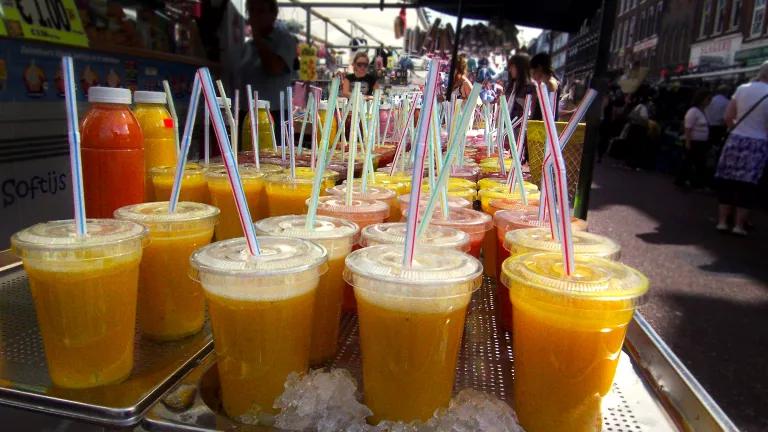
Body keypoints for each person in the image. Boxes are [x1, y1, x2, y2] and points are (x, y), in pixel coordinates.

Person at [714, 61, 768, 236]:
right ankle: (739, 225)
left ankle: (722, 222)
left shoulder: (742, 88)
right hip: (757, 143)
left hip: (735, 140)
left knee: (728, 182)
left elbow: (728, 116)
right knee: (748, 186)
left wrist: (735, 130)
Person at [235, 0, 297, 147]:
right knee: (246, 161)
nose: (255, 16)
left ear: (273, 14)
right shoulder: (247, 47)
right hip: (246, 115)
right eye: (252, 11)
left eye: (261, 11)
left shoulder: (285, 40)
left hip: (274, 115)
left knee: (273, 163)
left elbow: (274, 67)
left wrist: (257, 37)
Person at [677, 89, 712, 188]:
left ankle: (695, 182)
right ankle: (682, 181)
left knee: (698, 162)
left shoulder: (704, 112)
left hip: (701, 142)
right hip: (693, 141)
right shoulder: (693, 111)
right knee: (689, 162)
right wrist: (688, 142)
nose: (710, 101)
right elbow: (688, 127)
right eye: (708, 99)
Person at [529, 53, 559, 119]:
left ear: (540, 68)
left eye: (534, 73)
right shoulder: (543, 84)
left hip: (544, 125)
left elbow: (549, 110)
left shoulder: (551, 83)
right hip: (539, 124)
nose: (533, 77)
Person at [504, 53, 533, 119]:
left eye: (512, 67)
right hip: (507, 125)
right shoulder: (511, 86)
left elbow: (529, 112)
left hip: (520, 126)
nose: (510, 70)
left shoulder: (530, 88)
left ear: (521, 67)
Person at [705, 84, 731, 153]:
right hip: (719, 127)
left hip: (707, 126)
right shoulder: (727, 102)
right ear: (726, 92)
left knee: (709, 145)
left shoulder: (710, 100)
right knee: (717, 146)